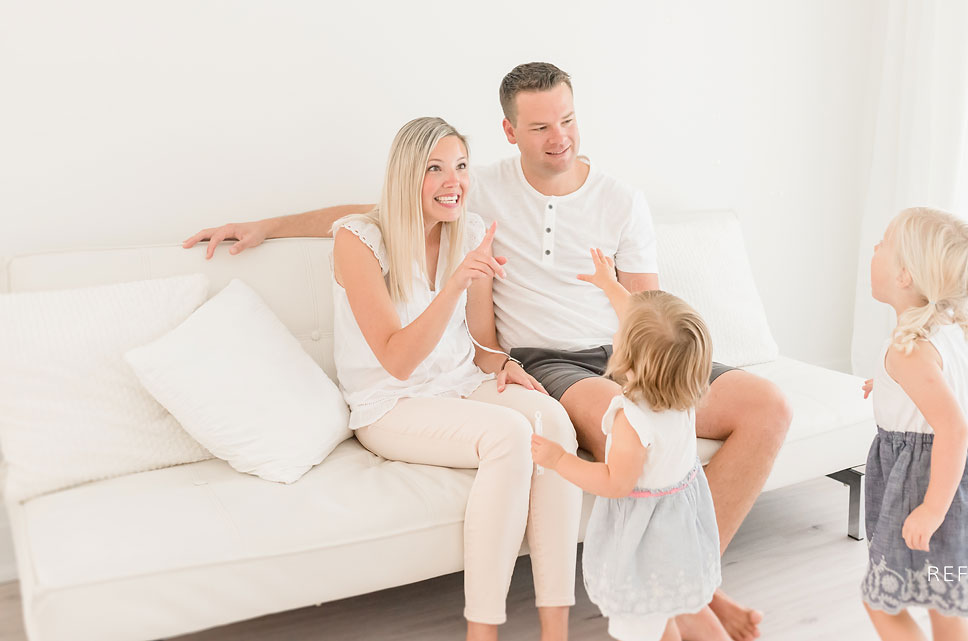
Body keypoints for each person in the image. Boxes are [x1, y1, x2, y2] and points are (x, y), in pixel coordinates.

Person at [183, 62, 792, 641]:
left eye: (569, 120)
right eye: (541, 127)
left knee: (769, 408)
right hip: (550, 361)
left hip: (624, 354)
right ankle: (686, 603)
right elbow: (377, 215)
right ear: (511, 132)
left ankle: (693, 585)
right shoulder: (479, 194)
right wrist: (268, 225)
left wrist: (634, 343)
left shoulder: (619, 201)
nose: (561, 139)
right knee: (639, 432)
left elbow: (650, 316)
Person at [327, 116, 580, 641]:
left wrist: (505, 364)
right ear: (406, 176)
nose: (454, 181)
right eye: (435, 168)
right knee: (508, 435)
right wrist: (456, 283)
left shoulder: (468, 231)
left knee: (551, 422)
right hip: (391, 405)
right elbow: (397, 361)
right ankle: (481, 633)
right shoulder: (358, 241)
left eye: (461, 166)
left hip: (460, 384)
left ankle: (556, 629)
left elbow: (482, 344)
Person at [532, 249, 724, 641]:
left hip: (645, 545)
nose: (614, 337)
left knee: (638, 628)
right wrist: (610, 286)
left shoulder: (632, 420)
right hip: (680, 534)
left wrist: (559, 460)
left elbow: (614, 482)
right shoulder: (683, 397)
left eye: (618, 338)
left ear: (631, 361)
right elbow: (643, 326)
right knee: (664, 615)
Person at [859, 207, 968, 640]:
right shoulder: (946, 327)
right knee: (942, 601)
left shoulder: (908, 351)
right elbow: (945, 386)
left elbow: (953, 428)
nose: (874, 249)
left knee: (881, 602)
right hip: (967, 473)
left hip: (932, 480)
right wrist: (891, 386)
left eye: (883, 243)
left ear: (905, 275)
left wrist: (930, 509)